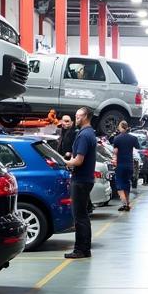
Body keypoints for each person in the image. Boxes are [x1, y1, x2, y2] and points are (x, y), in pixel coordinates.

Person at [64, 106, 98, 259]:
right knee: (83, 215)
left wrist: (65, 161)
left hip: (81, 180)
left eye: (78, 116)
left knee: (79, 216)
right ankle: (84, 248)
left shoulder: (84, 135)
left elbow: (79, 160)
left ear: (85, 117)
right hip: (85, 179)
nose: (75, 118)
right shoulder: (89, 133)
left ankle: (81, 249)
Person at [110, 119, 138, 213]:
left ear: (120, 127)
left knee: (119, 185)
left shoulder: (117, 138)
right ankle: (128, 203)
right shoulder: (133, 138)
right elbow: (137, 146)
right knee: (127, 184)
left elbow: (115, 151)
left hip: (120, 165)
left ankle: (124, 204)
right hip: (129, 165)